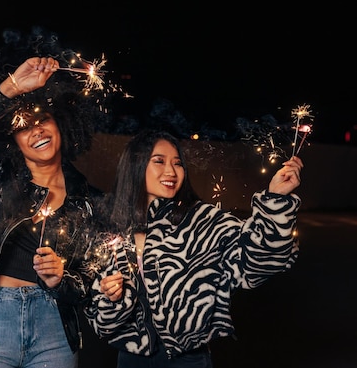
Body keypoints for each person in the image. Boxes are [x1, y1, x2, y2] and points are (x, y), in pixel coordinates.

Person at [84, 129, 303, 368]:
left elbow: (257, 262)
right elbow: (100, 322)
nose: (171, 171)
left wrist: (276, 199)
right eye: (159, 161)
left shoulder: (203, 220)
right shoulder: (111, 229)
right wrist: (112, 298)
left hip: (188, 359)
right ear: (135, 166)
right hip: (130, 359)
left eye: (178, 164)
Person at [0, 56, 102, 368]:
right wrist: (12, 86)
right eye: (24, 128)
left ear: (60, 124)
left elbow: (90, 281)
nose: (36, 132)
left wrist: (61, 279)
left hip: (54, 326)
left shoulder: (87, 198)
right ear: (14, 141)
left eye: (43, 121)